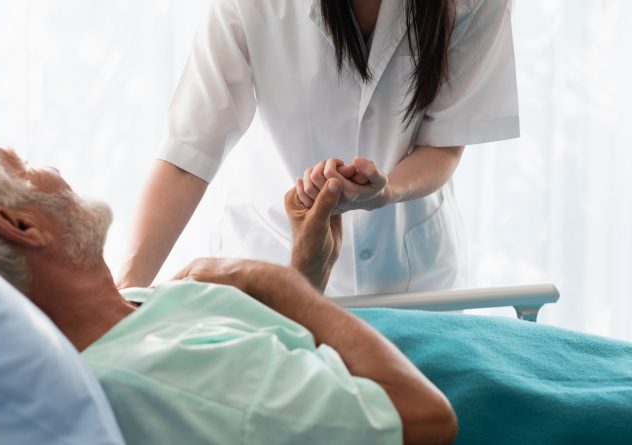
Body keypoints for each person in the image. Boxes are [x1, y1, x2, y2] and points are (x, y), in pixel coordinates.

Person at [0, 145, 457, 445]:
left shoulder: (141, 316)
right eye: (24, 165)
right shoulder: (156, 376)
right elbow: (424, 421)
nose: (48, 167)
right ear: (22, 227)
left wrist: (304, 273)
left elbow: (280, 379)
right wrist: (268, 283)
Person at [118, 0, 520, 297]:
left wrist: (386, 190)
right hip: (270, 255)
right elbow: (189, 154)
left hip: (410, 273)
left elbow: (444, 146)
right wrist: (124, 295)